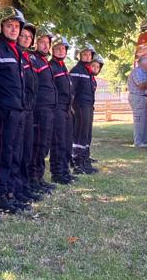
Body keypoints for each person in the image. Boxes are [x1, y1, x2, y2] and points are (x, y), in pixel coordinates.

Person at [0, 7, 27, 215]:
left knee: (15, 152)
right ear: (0, 27)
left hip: (18, 108)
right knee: (3, 152)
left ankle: (12, 192)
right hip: (4, 109)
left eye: (16, 26)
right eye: (9, 26)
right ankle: (0, 195)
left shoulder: (18, 52)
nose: (13, 30)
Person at [13, 22, 41, 205]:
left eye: (29, 37)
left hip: (29, 110)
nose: (25, 39)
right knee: (14, 152)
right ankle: (13, 190)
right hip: (16, 109)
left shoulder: (28, 58)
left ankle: (23, 186)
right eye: (23, 35)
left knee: (25, 151)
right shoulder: (14, 55)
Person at [29, 28, 57, 193]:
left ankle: (39, 177)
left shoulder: (44, 61)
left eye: (47, 43)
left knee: (44, 145)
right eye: (42, 42)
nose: (45, 46)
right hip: (39, 109)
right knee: (37, 145)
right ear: (35, 43)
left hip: (49, 109)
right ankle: (33, 178)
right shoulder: (34, 60)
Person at [48, 35, 75, 185]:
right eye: (57, 48)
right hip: (57, 108)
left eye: (63, 48)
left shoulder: (63, 66)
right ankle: (57, 172)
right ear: (52, 50)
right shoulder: (51, 66)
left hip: (67, 108)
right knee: (58, 141)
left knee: (67, 141)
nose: (60, 51)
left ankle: (65, 170)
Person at [70, 44, 98, 174]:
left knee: (87, 134)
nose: (87, 56)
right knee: (80, 135)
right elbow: (71, 90)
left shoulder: (88, 71)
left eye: (89, 54)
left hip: (88, 105)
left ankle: (85, 159)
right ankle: (77, 162)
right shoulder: (77, 70)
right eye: (84, 54)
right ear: (80, 56)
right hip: (80, 106)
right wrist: (71, 107)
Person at [129, 55, 147, 148]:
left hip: (143, 98)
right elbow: (141, 85)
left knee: (145, 120)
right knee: (139, 120)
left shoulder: (144, 72)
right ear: (141, 63)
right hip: (138, 97)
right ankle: (138, 142)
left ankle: (144, 141)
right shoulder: (137, 71)